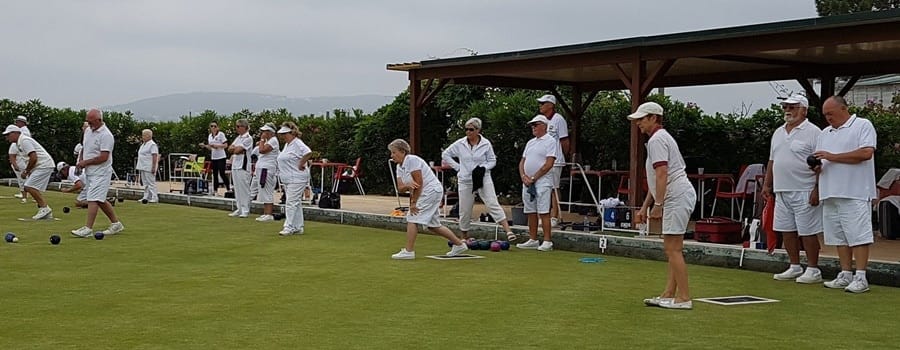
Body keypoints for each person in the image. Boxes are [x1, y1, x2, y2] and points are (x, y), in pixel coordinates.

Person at [630, 102, 697, 310]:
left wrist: (658, 205)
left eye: (642, 119)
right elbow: (655, 179)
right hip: (676, 194)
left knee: (672, 248)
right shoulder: (659, 139)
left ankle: (684, 298)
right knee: (673, 248)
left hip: (676, 195)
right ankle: (669, 293)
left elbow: (662, 174)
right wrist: (645, 207)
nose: (638, 123)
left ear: (653, 118)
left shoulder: (657, 140)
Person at [814, 96, 877, 293]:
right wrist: (816, 167)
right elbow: (822, 163)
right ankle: (845, 273)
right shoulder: (824, 133)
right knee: (838, 236)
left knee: (858, 235)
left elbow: (866, 153)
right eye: (825, 115)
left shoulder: (862, 125)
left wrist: (832, 157)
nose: (828, 118)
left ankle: (861, 277)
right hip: (830, 191)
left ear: (843, 108)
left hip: (855, 191)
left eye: (830, 113)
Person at [762, 94, 824, 283]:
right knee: (786, 229)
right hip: (782, 190)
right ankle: (795, 266)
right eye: (785, 107)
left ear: (804, 110)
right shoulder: (778, 132)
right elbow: (773, 160)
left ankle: (813, 269)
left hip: (804, 189)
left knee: (807, 231)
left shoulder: (814, 132)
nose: (788, 110)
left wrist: (817, 188)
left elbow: (821, 162)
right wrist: (767, 184)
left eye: (793, 107)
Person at [389, 138, 468, 259]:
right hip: (426, 193)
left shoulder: (412, 160)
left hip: (430, 191)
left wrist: (413, 203)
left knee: (412, 218)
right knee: (433, 225)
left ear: (402, 151)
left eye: (394, 152)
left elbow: (419, 183)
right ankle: (459, 245)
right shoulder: (399, 167)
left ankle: (409, 251)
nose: (392, 155)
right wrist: (407, 186)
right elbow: (400, 188)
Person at [442, 117, 516, 241]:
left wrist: (484, 168)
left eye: (471, 129)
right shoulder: (460, 143)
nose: (468, 132)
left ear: (478, 130)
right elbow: (445, 154)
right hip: (465, 179)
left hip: (483, 178)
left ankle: (508, 230)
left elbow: (492, 160)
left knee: (492, 202)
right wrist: (458, 168)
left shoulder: (486, 144)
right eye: (466, 129)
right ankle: (464, 236)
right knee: (465, 209)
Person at [70, 109, 125, 238]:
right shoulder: (88, 131)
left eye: (91, 122)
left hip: (101, 172)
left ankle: (88, 228)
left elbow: (103, 157)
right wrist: (81, 162)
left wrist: (85, 162)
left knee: (93, 199)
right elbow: (84, 147)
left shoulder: (106, 135)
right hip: (90, 171)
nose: (89, 125)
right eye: (88, 122)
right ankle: (116, 224)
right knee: (99, 200)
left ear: (99, 120)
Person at [515, 115, 559, 251]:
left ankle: (547, 241)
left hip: (543, 181)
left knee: (544, 211)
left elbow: (549, 164)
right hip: (527, 181)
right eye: (532, 125)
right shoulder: (530, 142)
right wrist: (524, 176)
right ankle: (533, 239)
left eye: (536, 124)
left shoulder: (550, 141)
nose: (533, 127)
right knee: (530, 211)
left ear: (544, 126)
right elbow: (522, 162)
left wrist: (534, 178)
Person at [3, 125, 55, 219]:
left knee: (29, 186)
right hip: (42, 166)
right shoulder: (19, 143)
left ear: (16, 133)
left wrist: (27, 171)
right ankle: (45, 211)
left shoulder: (24, 141)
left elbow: (33, 157)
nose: (6, 137)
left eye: (8, 134)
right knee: (31, 187)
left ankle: (44, 208)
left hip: (44, 165)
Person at [536, 94, 570, 227]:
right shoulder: (541, 120)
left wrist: (561, 155)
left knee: (554, 188)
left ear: (550, 105)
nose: (540, 106)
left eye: (543, 103)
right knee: (543, 187)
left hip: (556, 160)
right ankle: (543, 215)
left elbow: (564, 141)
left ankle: (554, 216)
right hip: (542, 160)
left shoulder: (559, 119)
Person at [275, 122, 312, 235]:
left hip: (297, 178)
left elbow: (308, 152)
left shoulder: (297, 143)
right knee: (295, 202)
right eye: (282, 134)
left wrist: (301, 163)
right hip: (288, 179)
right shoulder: (288, 145)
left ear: (292, 133)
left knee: (291, 202)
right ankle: (298, 226)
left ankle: (288, 227)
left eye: (285, 134)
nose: (283, 136)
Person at [228, 119, 253, 218]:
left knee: (244, 189)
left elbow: (238, 150)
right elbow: (230, 149)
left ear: (244, 127)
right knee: (237, 189)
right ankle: (239, 208)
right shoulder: (238, 138)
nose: (236, 128)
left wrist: (236, 149)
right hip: (235, 165)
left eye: (238, 126)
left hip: (243, 166)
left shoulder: (248, 138)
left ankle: (245, 209)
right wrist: (235, 149)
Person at [254, 123, 280, 222]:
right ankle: (266, 213)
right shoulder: (269, 141)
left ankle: (268, 214)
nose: (263, 133)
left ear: (270, 132)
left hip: (267, 169)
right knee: (263, 190)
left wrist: (261, 140)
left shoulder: (273, 141)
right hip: (263, 168)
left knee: (267, 190)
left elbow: (262, 150)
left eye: (265, 131)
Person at [200, 121, 230, 195]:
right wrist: (205, 146)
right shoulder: (210, 136)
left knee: (222, 173)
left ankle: (228, 188)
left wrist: (217, 146)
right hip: (214, 157)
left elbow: (226, 145)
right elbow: (211, 148)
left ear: (218, 127)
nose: (213, 128)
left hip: (221, 156)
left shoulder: (221, 134)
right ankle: (215, 190)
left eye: (215, 126)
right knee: (215, 174)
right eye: (211, 126)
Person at [137, 129, 159, 203]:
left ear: (148, 136)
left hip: (148, 166)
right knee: (145, 183)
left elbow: (155, 156)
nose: (142, 137)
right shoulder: (143, 144)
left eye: (144, 135)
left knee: (151, 182)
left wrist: (153, 167)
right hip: (142, 166)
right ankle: (146, 197)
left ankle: (154, 197)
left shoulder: (152, 144)